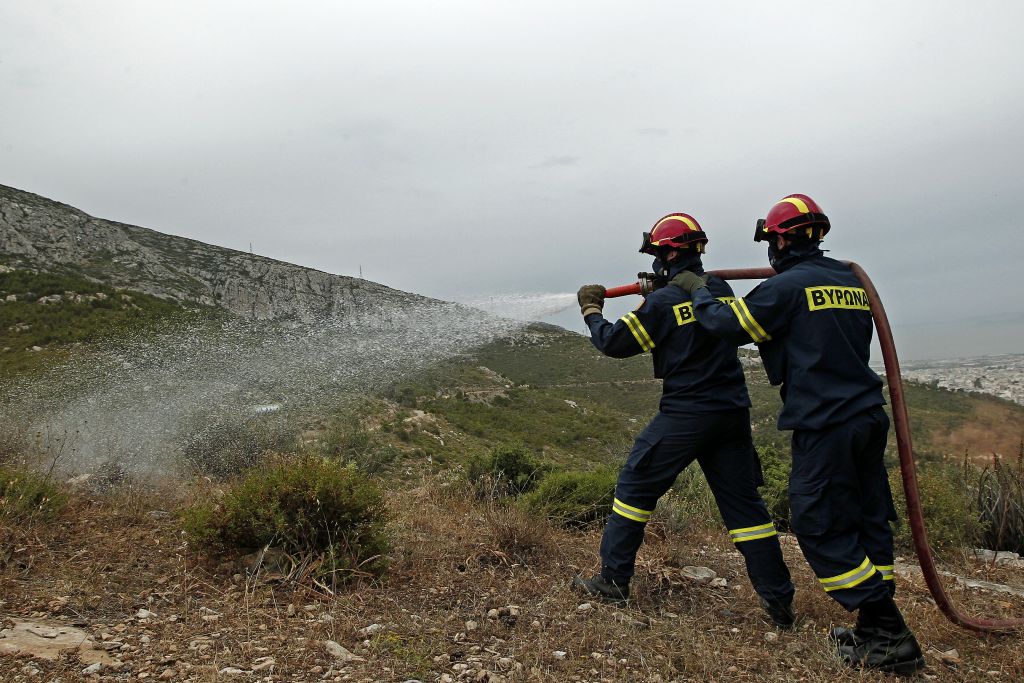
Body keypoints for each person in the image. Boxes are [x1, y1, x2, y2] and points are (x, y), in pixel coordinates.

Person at [670, 194, 924, 675]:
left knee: (816, 520)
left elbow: (728, 325)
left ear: (781, 238)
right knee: (866, 516)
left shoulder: (786, 287)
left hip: (825, 421)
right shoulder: (849, 280)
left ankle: (890, 633)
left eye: (771, 239)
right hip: (866, 416)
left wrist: (699, 289)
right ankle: (873, 626)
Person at [572, 213, 795, 627]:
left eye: (658, 253)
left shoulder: (663, 302)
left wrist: (591, 310)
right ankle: (779, 604)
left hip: (688, 413)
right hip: (731, 413)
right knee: (746, 510)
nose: (656, 260)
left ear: (669, 252)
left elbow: (615, 343)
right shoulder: (718, 289)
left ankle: (612, 581)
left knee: (634, 486)